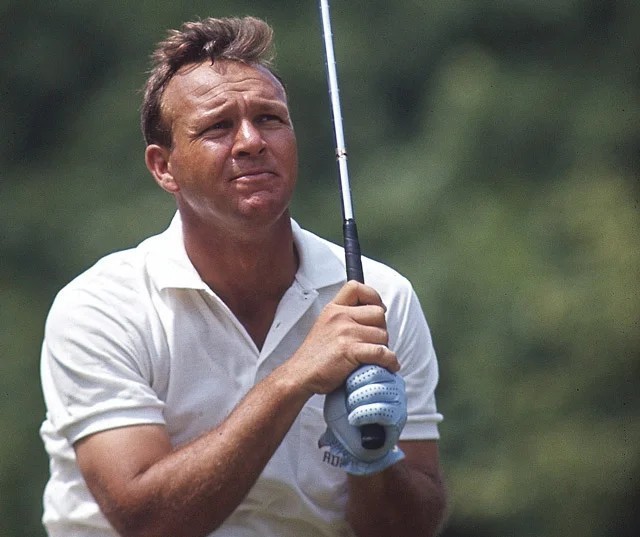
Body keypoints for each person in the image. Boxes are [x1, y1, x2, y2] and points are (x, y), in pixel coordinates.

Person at [39, 16, 447, 537]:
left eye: (270, 119)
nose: (252, 141)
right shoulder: (100, 307)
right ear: (164, 167)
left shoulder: (379, 297)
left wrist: (372, 457)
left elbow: (409, 527)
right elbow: (146, 522)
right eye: (217, 127)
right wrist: (294, 379)